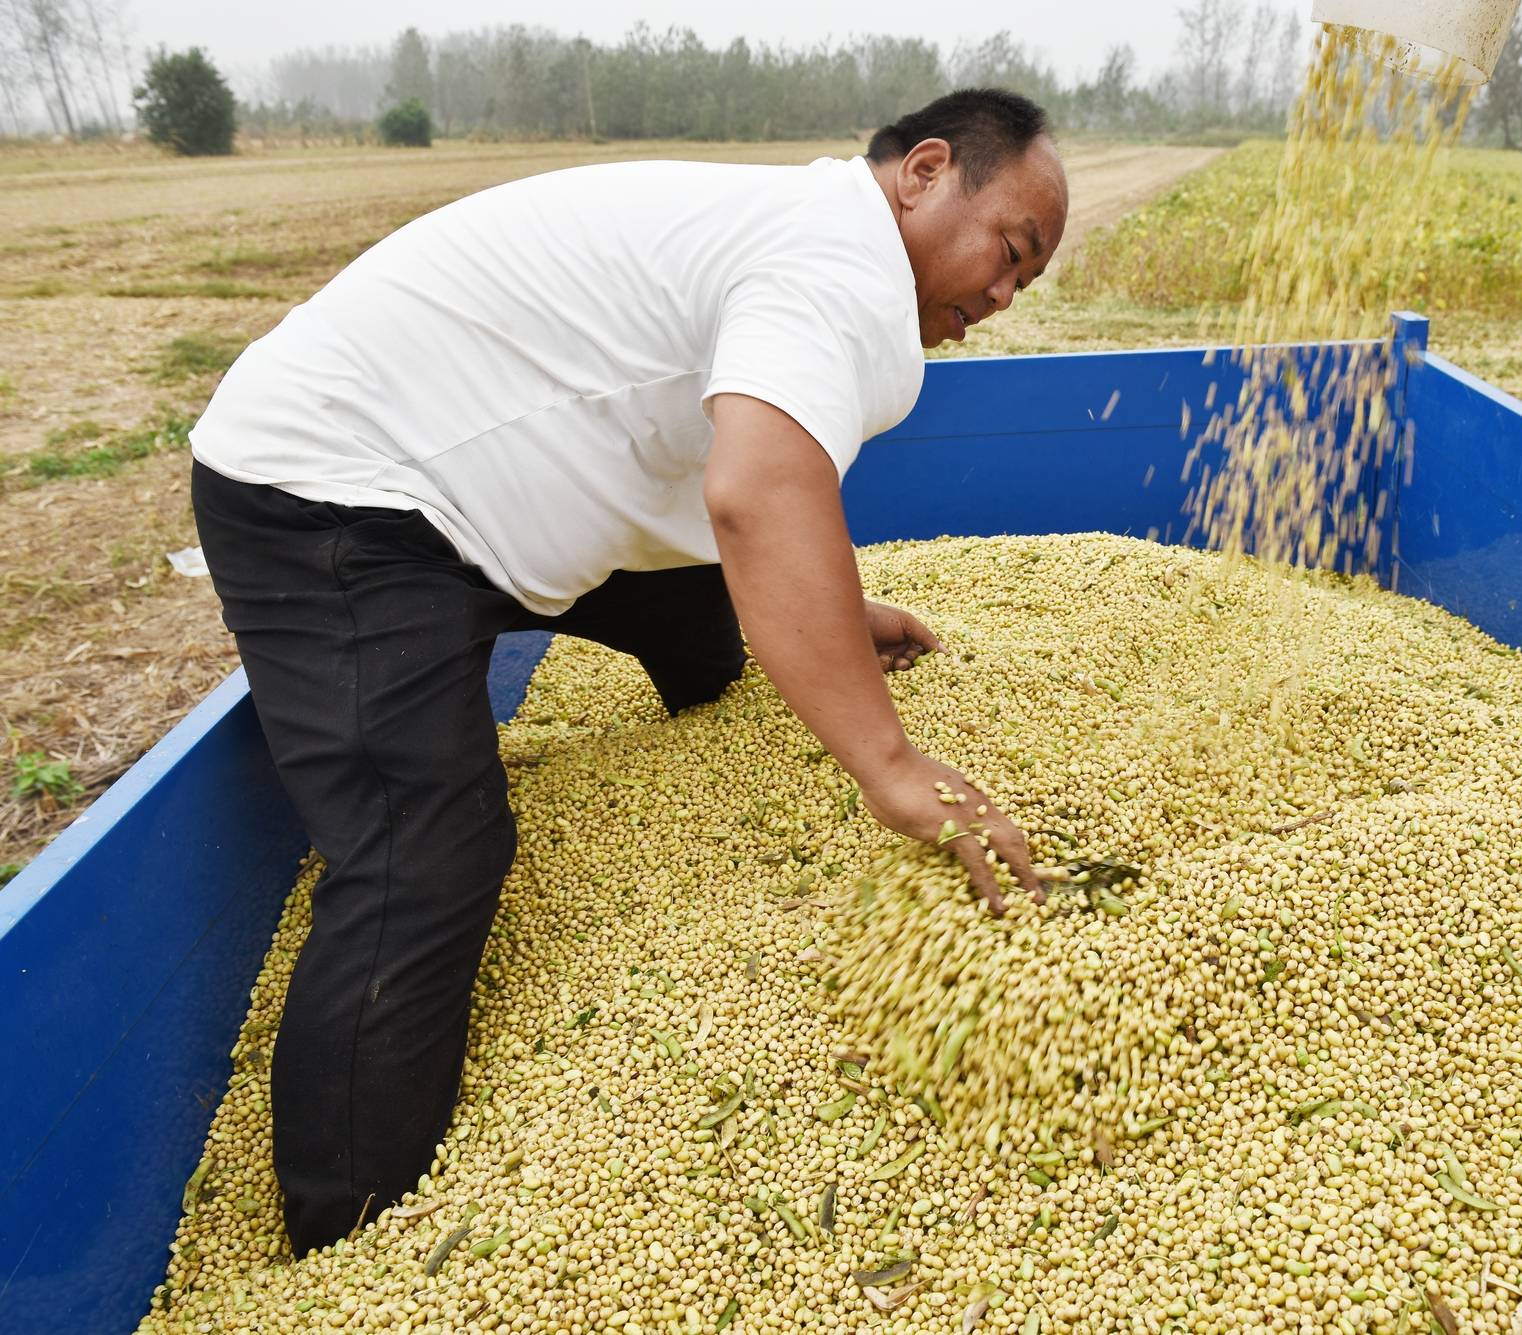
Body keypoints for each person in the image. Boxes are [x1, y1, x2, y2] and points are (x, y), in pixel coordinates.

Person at [186, 87, 1068, 1256]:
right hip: (340, 491)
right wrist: (887, 763)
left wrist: (831, 613)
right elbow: (757, 493)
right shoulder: (834, 261)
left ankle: (726, 642)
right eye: (1007, 250)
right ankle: (345, 1236)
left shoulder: (813, 245)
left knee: (714, 623)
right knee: (428, 848)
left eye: (1026, 282)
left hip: (494, 458)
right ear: (923, 171)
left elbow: (726, 466)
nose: (1004, 297)